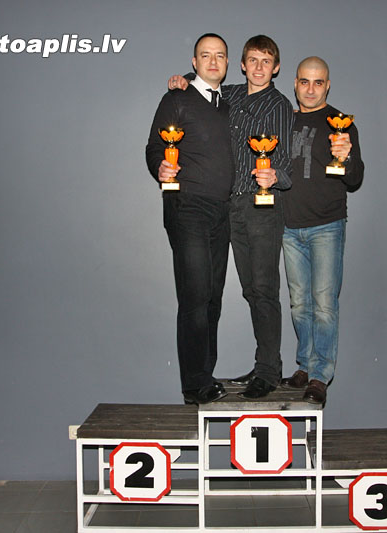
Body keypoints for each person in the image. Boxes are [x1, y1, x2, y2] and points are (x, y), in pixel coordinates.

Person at [168, 35, 293, 399]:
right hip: (228, 207)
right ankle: (264, 363)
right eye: (252, 60)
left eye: (265, 61)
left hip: (261, 206)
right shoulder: (230, 96)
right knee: (248, 290)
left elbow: (285, 164)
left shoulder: (280, 105)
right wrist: (182, 81)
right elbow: (200, 88)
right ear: (241, 65)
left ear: (276, 67)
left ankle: (269, 372)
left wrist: (275, 177)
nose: (258, 67)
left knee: (264, 289)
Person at [145, 33, 234, 405]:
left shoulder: (228, 105)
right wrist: (160, 167)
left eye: (220, 55)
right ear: (194, 62)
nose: (213, 62)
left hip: (222, 211)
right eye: (205, 55)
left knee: (213, 298)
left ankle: (205, 376)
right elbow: (155, 147)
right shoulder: (176, 98)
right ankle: (195, 384)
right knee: (195, 296)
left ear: (227, 63)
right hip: (188, 207)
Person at [280, 56, 364, 406]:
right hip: (288, 227)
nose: (311, 89)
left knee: (324, 304)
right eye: (304, 82)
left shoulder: (341, 124)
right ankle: (304, 364)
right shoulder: (283, 119)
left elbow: (355, 179)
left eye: (318, 83)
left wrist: (347, 157)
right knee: (299, 304)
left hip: (327, 226)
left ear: (327, 85)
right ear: (295, 83)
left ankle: (319, 374)